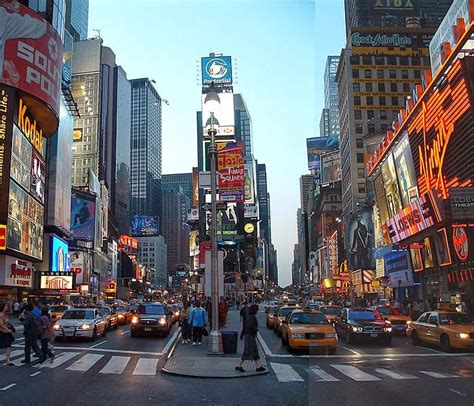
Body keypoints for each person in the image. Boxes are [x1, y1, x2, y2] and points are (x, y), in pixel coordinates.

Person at [235, 304, 266, 373]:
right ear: (255, 310)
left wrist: (242, 334)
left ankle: (258, 366)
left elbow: (245, 326)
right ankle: (239, 365)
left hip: (249, 335)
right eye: (257, 309)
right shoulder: (252, 317)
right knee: (247, 351)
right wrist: (255, 330)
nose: (258, 310)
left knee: (255, 351)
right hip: (250, 336)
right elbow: (250, 326)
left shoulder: (250, 317)